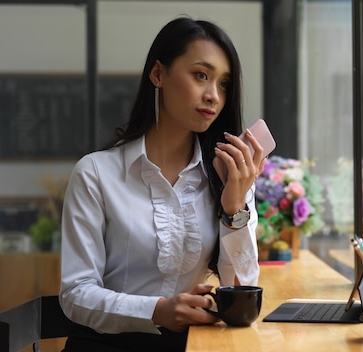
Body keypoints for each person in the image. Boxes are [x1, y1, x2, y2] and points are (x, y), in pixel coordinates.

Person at [59, 16, 265, 351]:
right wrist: (158, 310)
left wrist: (234, 208)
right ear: (158, 74)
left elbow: (241, 290)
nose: (213, 95)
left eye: (224, 84)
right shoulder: (95, 174)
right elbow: (75, 294)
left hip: (191, 345)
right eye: (201, 75)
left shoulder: (227, 178)